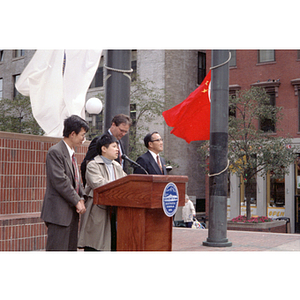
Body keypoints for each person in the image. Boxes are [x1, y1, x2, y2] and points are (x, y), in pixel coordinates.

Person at [41, 115, 89, 251]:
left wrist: (82, 198)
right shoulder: (55, 152)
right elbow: (60, 181)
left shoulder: (71, 153)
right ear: (72, 134)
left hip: (71, 214)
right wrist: (77, 201)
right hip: (58, 214)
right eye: (82, 135)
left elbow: (77, 181)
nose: (83, 139)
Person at [78, 134, 127, 251]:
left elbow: (126, 183)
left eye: (117, 147)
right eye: (114, 146)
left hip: (115, 211)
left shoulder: (117, 166)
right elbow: (100, 185)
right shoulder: (93, 165)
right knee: (96, 247)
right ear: (103, 149)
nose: (117, 150)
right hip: (98, 211)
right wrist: (120, 187)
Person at [81, 114, 131, 186]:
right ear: (113, 125)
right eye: (121, 130)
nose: (123, 134)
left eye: (126, 132)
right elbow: (86, 164)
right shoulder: (99, 141)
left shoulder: (121, 143)